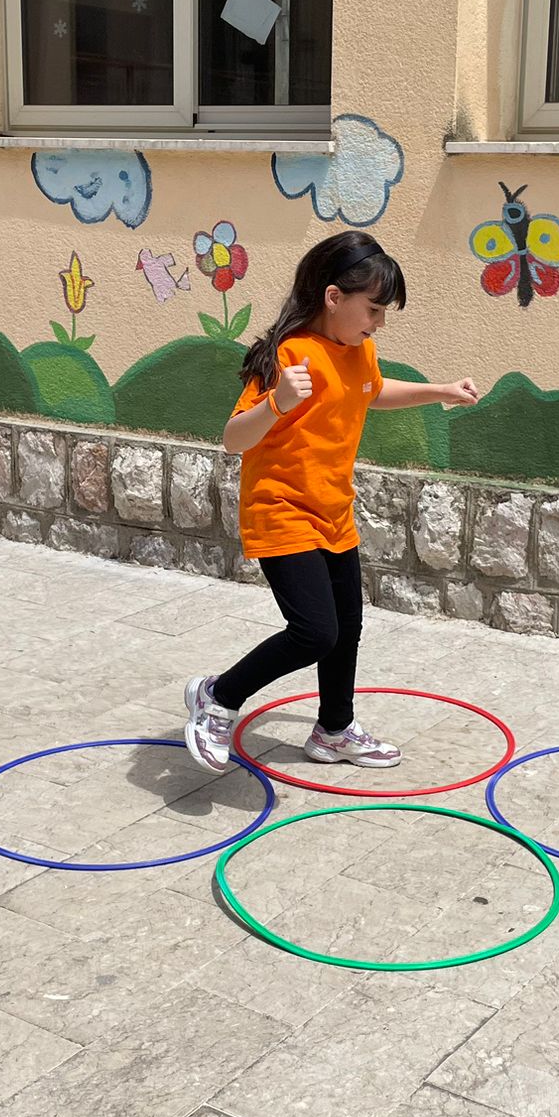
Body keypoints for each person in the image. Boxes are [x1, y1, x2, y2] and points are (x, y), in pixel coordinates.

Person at [183, 232, 479, 773]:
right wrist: (278, 402)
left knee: (346, 628)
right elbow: (233, 438)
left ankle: (334, 731)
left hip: (334, 511)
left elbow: (371, 390)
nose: (379, 323)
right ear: (333, 297)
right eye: (374, 309)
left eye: (384, 313)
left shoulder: (358, 350)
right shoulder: (289, 355)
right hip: (281, 509)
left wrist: (439, 391)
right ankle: (217, 698)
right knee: (315, 633)